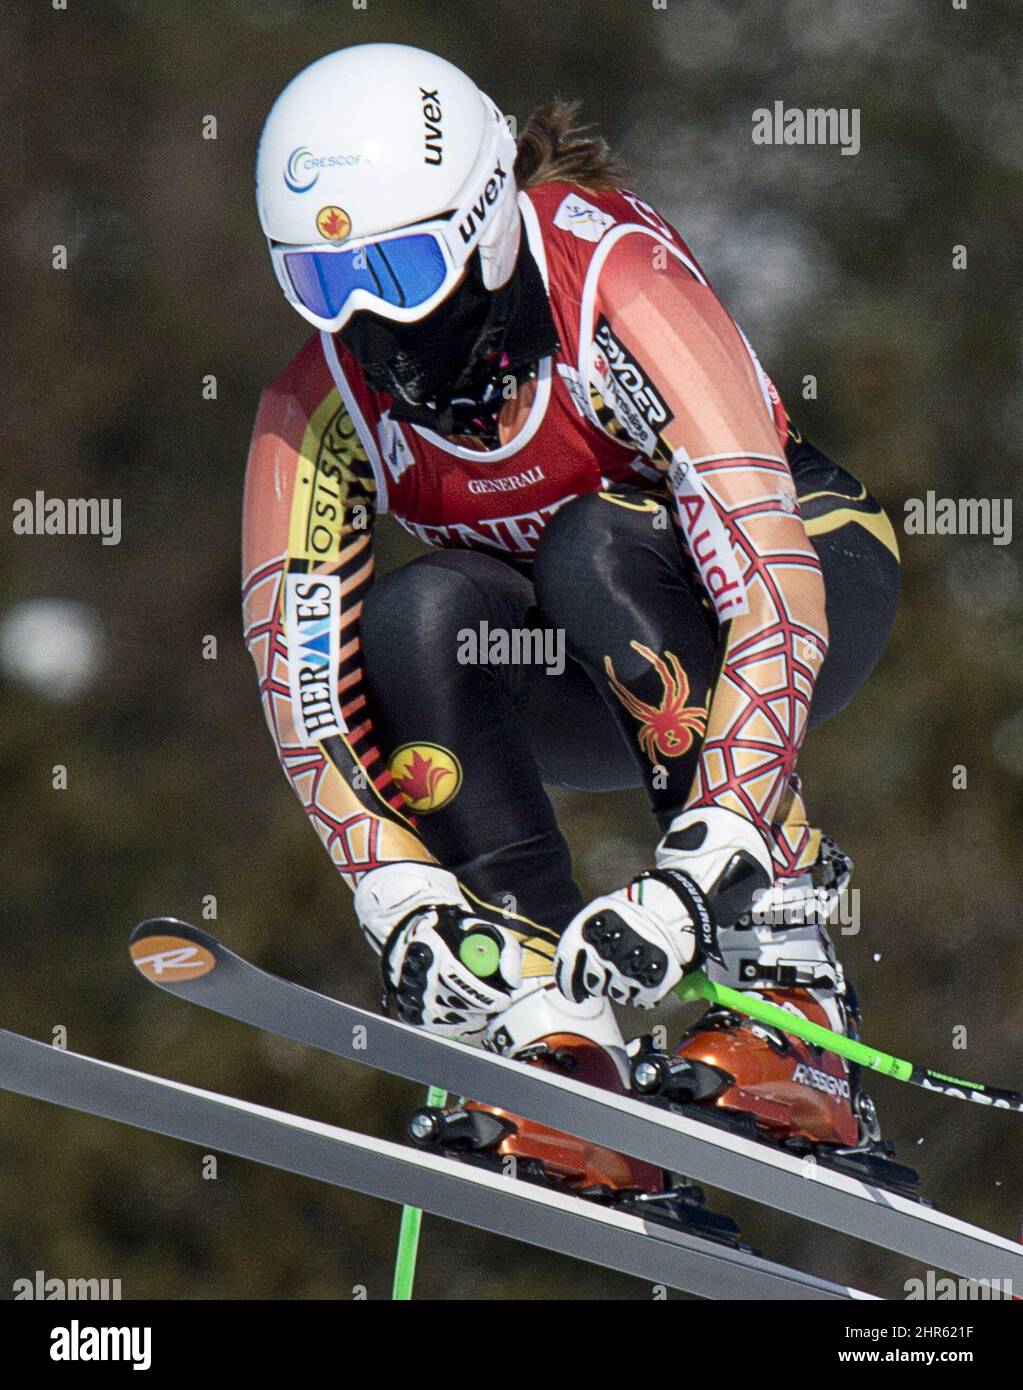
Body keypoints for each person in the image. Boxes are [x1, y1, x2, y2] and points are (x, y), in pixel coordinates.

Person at [242, 42, 900, 1195]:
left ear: (487, 222)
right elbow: (306, 702)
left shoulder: (612, 282)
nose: (364, 320)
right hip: (582, 678)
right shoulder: (318, 404)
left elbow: (767, 584)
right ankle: (548, 1031)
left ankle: (782, 985)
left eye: (396, 271)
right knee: (418, 616)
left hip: (797, 584)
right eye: (320, 281)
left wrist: (710, 862)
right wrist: (398, 893)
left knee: (590, 543)